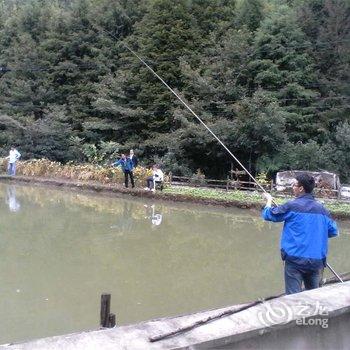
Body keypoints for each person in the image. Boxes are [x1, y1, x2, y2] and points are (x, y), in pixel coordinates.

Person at [262, 173, 338, 295]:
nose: (292, 187)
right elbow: (333, 231)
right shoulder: (323, 210)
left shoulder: (291, 206)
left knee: (293, 298)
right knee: (313, 297)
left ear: (301, 188)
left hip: (295, 261)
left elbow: (268, 215)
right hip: (316, 261)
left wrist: (269, 200)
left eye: (294, 185)